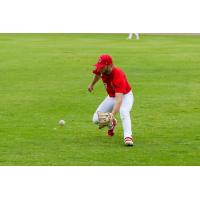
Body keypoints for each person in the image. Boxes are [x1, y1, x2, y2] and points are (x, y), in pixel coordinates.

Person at [87, 54, 135, 146]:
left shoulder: (118, 75)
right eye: (99, 66)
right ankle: (111, 123)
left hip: (125, 96)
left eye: (102, 67)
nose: (99, 69)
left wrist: (112, 114)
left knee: (124, 111)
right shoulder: (102, 70)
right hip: (112, 96)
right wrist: (92, 84)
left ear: (109, 65)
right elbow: (97, 74)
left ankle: (128, 137)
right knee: (96, 119)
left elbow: (119, 100)